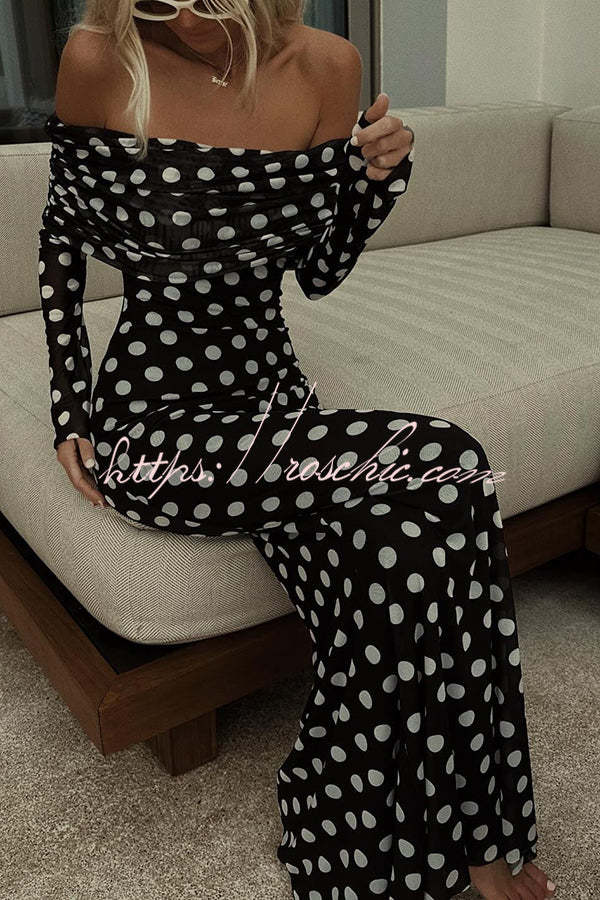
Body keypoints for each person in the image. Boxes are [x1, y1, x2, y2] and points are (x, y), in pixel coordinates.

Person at [37, 2, 557, 898]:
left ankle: (361, 827)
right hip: (156, 433)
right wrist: (68, 408)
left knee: (402, 564)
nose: (183, 15)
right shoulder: (99, 58)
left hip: (276, 407)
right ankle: (480, 836)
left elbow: (316, 272)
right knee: (449, 464)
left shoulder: (328, 68)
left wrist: (376, 180)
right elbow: (61, 239)